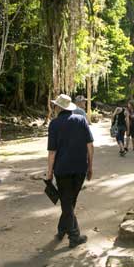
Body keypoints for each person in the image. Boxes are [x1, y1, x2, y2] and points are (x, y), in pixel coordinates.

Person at [47, 94, 94, 249]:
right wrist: (90, 166)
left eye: (55, 106)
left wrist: (49, 172)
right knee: (70, 201)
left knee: (67, 202)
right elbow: (90, 146)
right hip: (80, 167)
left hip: (62, 169)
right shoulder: (81, 120)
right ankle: (62, 230)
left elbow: (52, 152)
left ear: (58, 107)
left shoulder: (54, 124)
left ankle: (74, 236)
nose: (54, 108)